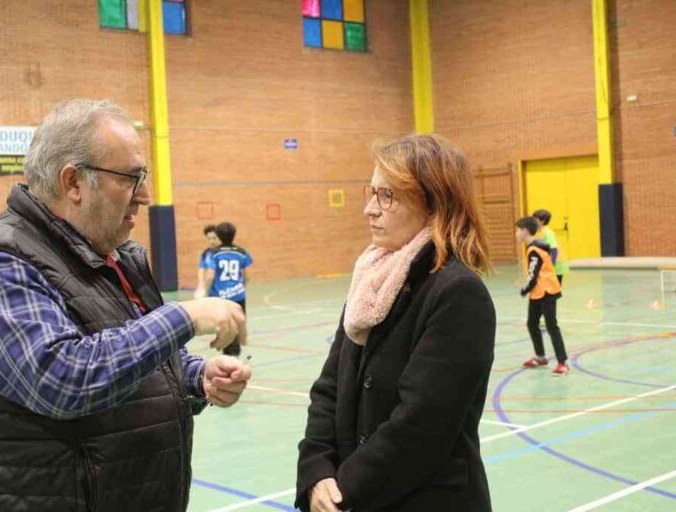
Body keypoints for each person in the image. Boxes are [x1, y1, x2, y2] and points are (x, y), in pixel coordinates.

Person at [0, 99, 252, 512]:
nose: (146, 194)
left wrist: (195, 377)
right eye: (131, 177)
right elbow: (63, 379)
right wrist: (184, 316)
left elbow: (127, 353)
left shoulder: (110, 257)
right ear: (73, 183)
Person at [296, 134, 496, 512]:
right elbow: (328, 389)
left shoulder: (457, 293)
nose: (369, 209)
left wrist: (344, 491)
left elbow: (421, 425)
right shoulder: (371, 281)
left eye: (387, 196)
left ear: (435, 204)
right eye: (371, 192)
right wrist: (317, 471)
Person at [515, 216, 570, 375]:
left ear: (525, 231)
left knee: (552, 326)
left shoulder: (534, 250)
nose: (516, 233)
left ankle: (563, 362)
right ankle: (540, 357)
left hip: (547, 291)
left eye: (518, 230)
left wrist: (524, 289)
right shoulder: (533, 247)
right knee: (532, 323)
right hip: (537, 293)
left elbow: (533, 275)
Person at [203, 222, 253, 356]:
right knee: (237, 325)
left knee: (224, 327)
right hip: (239, 296)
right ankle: (235, 356)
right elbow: (247, 276)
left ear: (218, 236)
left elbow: (210, 276)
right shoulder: (242, 252)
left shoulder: (213, 253)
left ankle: (228, 356)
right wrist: (239, 288)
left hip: (221, 297)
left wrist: (205, 293)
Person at [532, 209, 569, 284]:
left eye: (535, 219)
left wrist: (550, 265)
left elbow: (553, 249)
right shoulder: (540, 232)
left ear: (542, 221)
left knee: (554, 288)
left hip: (556, 265)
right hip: (550, 264)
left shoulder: (547, 232)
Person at [194, 224, 220, 298]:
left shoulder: (223, 253)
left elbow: (211, 275)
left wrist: (205, 292)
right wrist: (201, 283)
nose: (211, 241)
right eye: (209, 239)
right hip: (211, 290)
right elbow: (201, 270)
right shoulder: (206, 253)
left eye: (214, 238)